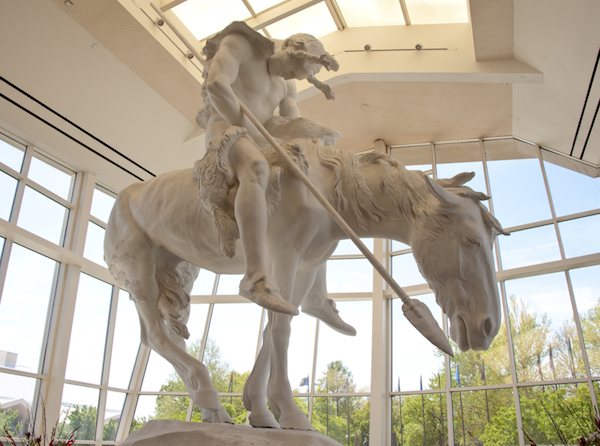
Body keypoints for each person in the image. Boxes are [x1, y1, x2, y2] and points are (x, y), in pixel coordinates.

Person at [196, 22, 354, 334]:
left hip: (260, 138)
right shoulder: (240, 43)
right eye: (294, 69)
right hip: (226, 131)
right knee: (256, 167)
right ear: (288, 48)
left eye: (298, 77)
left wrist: (311, 130)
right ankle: (255, 276)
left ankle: (316, 296)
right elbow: (217, 85)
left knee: (310, 196)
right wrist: (253, 130)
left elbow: (287, 123)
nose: (291, 79)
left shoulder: (287, 85)